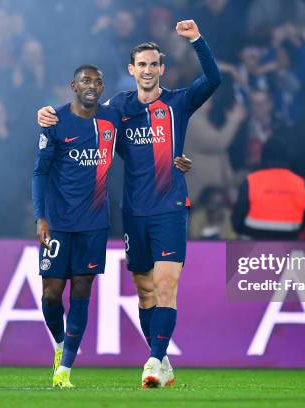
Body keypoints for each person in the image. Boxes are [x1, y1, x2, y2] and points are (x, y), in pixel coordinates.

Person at [37, 20, 220, 388]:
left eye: (155, 64)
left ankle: (151, 361)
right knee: (145, 288)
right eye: (143, 64)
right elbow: (81, 112)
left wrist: (198, 40)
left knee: (166, 285)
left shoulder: (178, 102)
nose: (149, 70)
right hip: (133, 212)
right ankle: (163, 358)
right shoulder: (117, 108)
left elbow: (213, 79)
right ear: (131, 70)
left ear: (162, 69)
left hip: (170, 207)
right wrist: (48, 114)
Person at [32, 64, 120, 388]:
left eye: (98, 81)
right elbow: (39, 172)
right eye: (86, 80)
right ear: (73, 85)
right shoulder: (54, 120)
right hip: (57, 223)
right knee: (52, 295)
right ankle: (59, 344)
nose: (92, 85)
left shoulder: (111, 120)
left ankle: (65, 369)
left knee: (82, 287)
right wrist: (40, 217)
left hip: (95, 222)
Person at [232, 138, 305, 240]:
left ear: (263, 156)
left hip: (253, 239)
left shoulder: (251, 180)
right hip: (289, 237)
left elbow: (237, 220)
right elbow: (304, 219)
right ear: (287, 157)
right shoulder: (300, 183)